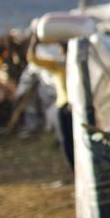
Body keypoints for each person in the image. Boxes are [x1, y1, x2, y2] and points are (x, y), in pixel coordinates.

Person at [27, 34, 73, 171]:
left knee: (70, 139)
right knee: (68, 139)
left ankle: (75, 166)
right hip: (67, 106)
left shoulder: (67, 64)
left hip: (71, 106)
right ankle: (73, 167)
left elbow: (32, 58)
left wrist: (34, 42)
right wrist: (34, 42)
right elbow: (32, 58)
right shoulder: (60, 65)